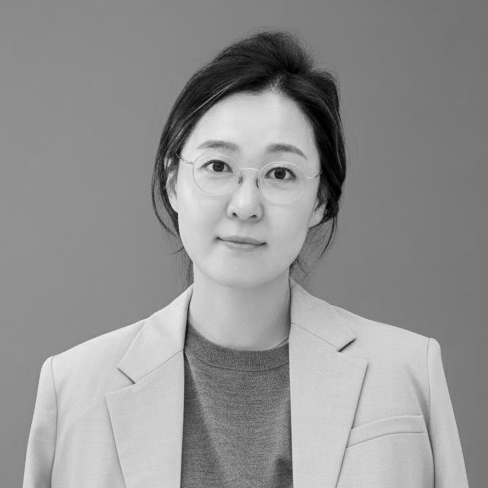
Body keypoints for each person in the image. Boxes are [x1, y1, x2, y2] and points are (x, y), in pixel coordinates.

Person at [23, 30, 469, 488]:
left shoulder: (408, 372)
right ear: (173, 183)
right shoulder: (73, 389)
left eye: (281, 173)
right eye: (218, 166)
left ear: (320, 200)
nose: (245, 205)